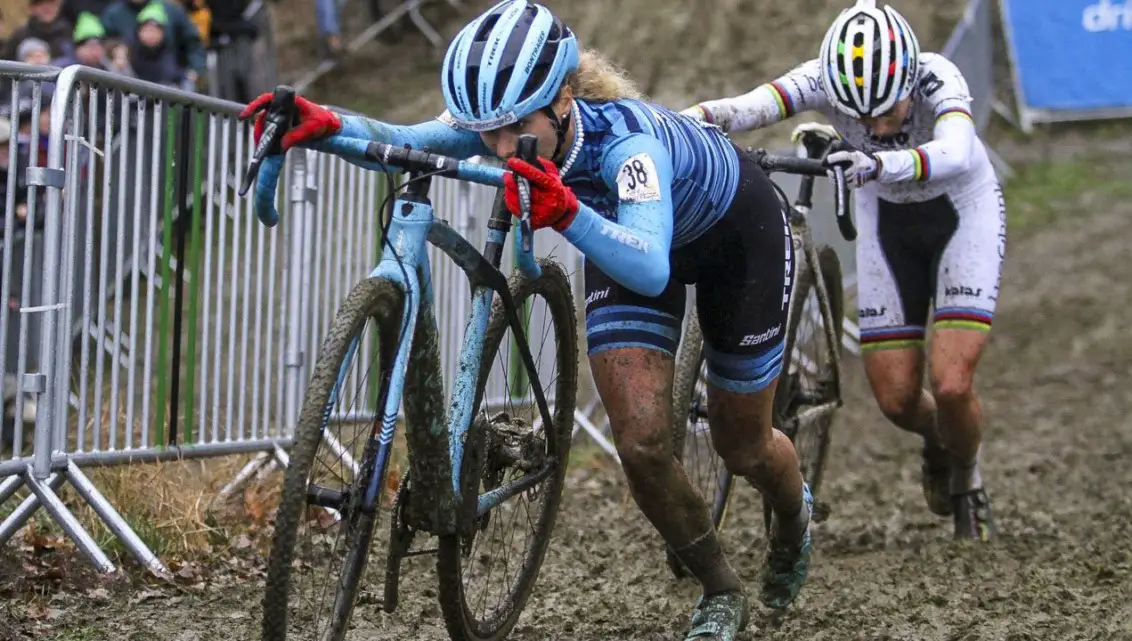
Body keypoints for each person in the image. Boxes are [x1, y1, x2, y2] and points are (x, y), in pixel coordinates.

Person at [241, 0, 816, 637]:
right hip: (619, 235)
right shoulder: (505, 125)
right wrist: (323, 124)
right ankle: (721, 589)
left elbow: (652, 265)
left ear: (564, 99)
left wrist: (567, 213)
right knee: (643, 448)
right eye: (487, 132)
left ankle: (792, 517)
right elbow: (403, 142)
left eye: (514, 129)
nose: (498, 146)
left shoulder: (629, 144)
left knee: (743, 447)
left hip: (736, 241)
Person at [681, 0, 1003, 542]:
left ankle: (967, 481)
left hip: (960, 214)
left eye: (888, 112)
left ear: (908, 81)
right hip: (888, 223)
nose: (877, 126)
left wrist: (879, 163)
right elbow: (751, 106)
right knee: (898, 401)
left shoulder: (936, 77)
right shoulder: (821, 80)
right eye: (863, 118)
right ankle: (937, 441)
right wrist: (689, 121)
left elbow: (956, 149)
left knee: (950, 384)